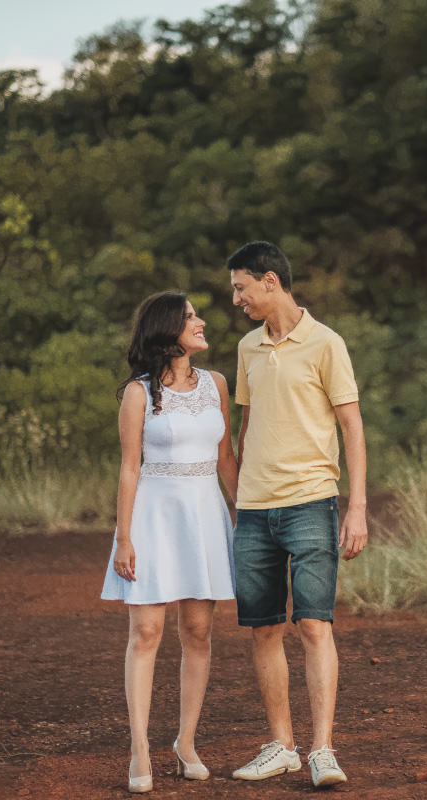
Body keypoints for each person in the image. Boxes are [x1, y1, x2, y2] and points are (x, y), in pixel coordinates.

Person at [226, 241, 368, 789]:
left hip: (312, 500)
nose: (236, 300)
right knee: (263, 629)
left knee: (313, 623)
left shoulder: (327, 343)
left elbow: (351, 425)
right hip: (254, 510)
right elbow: (245, 426)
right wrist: (238, 497)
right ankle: (281, 747)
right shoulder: (247, 347)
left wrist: (356, 507)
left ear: (270, 281)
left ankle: (322, 751)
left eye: (241, 288)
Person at [100, 291, 239, 794]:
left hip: (205, 515)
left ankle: (186, 743)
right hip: (154, 517)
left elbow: (226, 459)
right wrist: (124, 538)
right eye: (190, 317)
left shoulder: (217, 384)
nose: (201, 322)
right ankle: (139, 748)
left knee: (198, 631)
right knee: (146, 632)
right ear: (167, 330)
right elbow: (129, 468)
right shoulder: (138, 393)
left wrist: (247, 518)